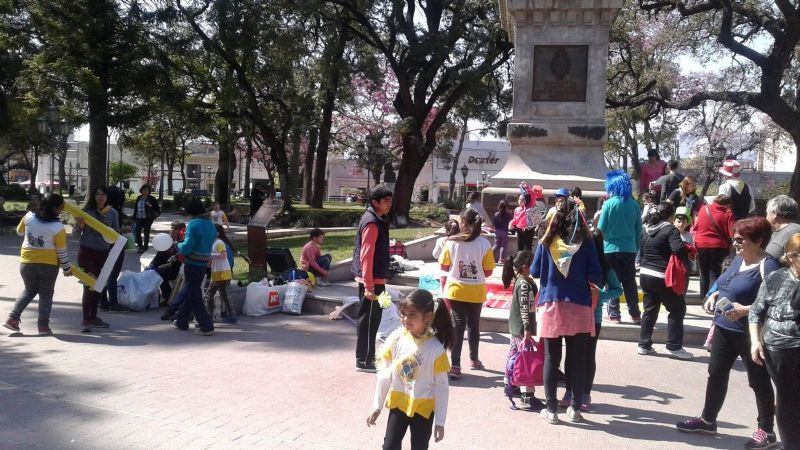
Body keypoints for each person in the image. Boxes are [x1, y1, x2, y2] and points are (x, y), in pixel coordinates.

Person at [676, 217, 780, 450]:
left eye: (741, 239)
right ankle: (708, 420)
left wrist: (746, 310)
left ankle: (767, 430)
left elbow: (778, 303)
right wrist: (714, 293)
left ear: (759, 240)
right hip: (724, 329)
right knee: (716, 374)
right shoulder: (738, 260)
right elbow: (724, 283)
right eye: (734, 239)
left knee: (758, 382)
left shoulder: (769, 267)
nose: (735, 243)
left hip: (752, 334)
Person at [532, 200, 602, 424]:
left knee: (552, 357)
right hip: (580, 305)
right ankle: (574, 409)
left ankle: (551, 410)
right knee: (577, 358)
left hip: (552, 303)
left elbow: (534, 270)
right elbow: (596, 275)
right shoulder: (586, 243)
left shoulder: (547, 241)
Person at [366, 289, 453, 450]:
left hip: (423, 409)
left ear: (427, 317)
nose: (406, 319)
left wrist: (440, 422)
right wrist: (377, 406)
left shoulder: (436, 349)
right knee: (389, 446)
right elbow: (385, 375)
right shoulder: (396, 339)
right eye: (403, 313)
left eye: (412, 315)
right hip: (398, 404)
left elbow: (441, 387)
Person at [561, 230, 622, 411]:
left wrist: (600, 295)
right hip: (572, 314)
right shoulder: (574, 262)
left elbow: (617, 290)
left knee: (588, 354)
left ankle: (585, 393)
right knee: (571, 354)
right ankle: (569, 390)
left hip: (593, 317)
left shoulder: (605, 266)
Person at [750, 234, 800, 449]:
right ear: (790, 256)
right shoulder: (776, 278)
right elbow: (755, 311)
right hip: (778, 350)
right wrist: (755, 341)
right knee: (788, 400)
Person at [3, 194, 72, 335]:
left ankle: (12, 318)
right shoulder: (58, 227)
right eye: (61, 207)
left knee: (29, 290)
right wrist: (66, 267)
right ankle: (43, 327)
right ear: (56, 208)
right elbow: (62, 251)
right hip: (48, 265)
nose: (62, 210)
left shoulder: (29, 216)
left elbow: (19, 232)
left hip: (27, 262)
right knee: (46, 295)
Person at [439, 208, 495, 379]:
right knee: (474, 327)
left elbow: (443, 267)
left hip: (456, 290)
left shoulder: (451, 242)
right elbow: (488, 271)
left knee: (457, 328)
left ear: (463, 223)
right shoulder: (484, 244)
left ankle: (455, 365)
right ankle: (474, 359)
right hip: (476, 291)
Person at [637, 202, 693, 359]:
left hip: (645, 274)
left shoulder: (645, 229)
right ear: (671, 216)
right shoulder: (670, 229)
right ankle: (674, 346)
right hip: (663, 276)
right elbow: (677, 249)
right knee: (677, 310)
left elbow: (641, 251)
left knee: (650, 310)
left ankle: (644, 344)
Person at [352, 186, 393, 373]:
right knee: (368, 321)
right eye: (385, 201)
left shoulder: (376, 220)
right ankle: (364, 361)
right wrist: (368, 287)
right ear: (375, 202)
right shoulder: (372, 223)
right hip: (371, 282)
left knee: (373, 320)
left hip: (375, 279)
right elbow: (366, 256)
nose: (389, 204)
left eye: (390, 200)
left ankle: (367, 358)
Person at [597, 170, 642, 324]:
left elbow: (600, 228)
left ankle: (614, 314)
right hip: (629, 248)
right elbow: (638, 230)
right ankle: (635, 313)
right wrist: (636, 248)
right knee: (630, 282)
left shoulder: (608, 204)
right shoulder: (634, 205)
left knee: (613, 282)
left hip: (610, 249)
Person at [74, 186, 119, 333]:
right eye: (98, 194)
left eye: (103, 194)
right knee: (89, 286)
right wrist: (80, 226)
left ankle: (93, 317)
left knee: (99, 286)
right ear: (93, 196)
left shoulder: (112, 213)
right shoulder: (86, 212)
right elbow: (74, 236)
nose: (101, 197)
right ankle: (85, 320)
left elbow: (116, 236)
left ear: (107, 197)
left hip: (104, 253)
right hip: (86, 253)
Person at [501, 250, 542, 409]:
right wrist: (527, 329)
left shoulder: (520, 280)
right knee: (524, 359)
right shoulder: (524, 283)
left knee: (514, 355)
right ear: (525, 267)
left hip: (516, 326)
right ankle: (527, 394)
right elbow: (525, 307)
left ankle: (510, 385)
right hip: (522, 328)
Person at [173, 198, 217, 336]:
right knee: (192, 292)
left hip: (192, 263)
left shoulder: (193, 224)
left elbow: (186, 248)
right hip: (204, 263)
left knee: (194, 294)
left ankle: (206, 325)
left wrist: (177, 244)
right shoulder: (210, 224)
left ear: (190, 212)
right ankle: (181, 320)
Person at [694, 195, 734, 298]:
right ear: (728, 204)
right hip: (719, 246)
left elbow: (696, 226)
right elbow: (731, 233)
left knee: (704, 272)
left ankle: (702, 297)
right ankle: (710, 298)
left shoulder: (704, 208)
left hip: (701, 244)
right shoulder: (728, 213)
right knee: (714, 273)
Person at [205, 224, 235, 324]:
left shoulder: (219, 243)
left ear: (217, 233)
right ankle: (232, 316)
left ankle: (208, 316)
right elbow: (214, 259)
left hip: (221, 273)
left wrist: (210, 256)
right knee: (224, 295)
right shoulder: (215, 243)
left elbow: (223, 255)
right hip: (221, 272)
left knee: (209, 294)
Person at [764, 194, 800, 260]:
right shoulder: (774, 232)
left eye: (767, 214)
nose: (766, 217)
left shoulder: (794, 232)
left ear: (775, 213)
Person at [133, 185, 160, 253]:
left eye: (147, 190)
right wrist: (134, 218)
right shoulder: (139, 197)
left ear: (149, 191)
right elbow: (136, 208)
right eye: (144, 190)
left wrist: (149, 205)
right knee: (137, 232)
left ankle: (145, 247)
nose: (145, 191)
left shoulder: (151, 198)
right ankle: (140, 246)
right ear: (141, 190)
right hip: (139, 218)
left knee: (146, 233)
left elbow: (156, 208)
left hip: (147, 218)